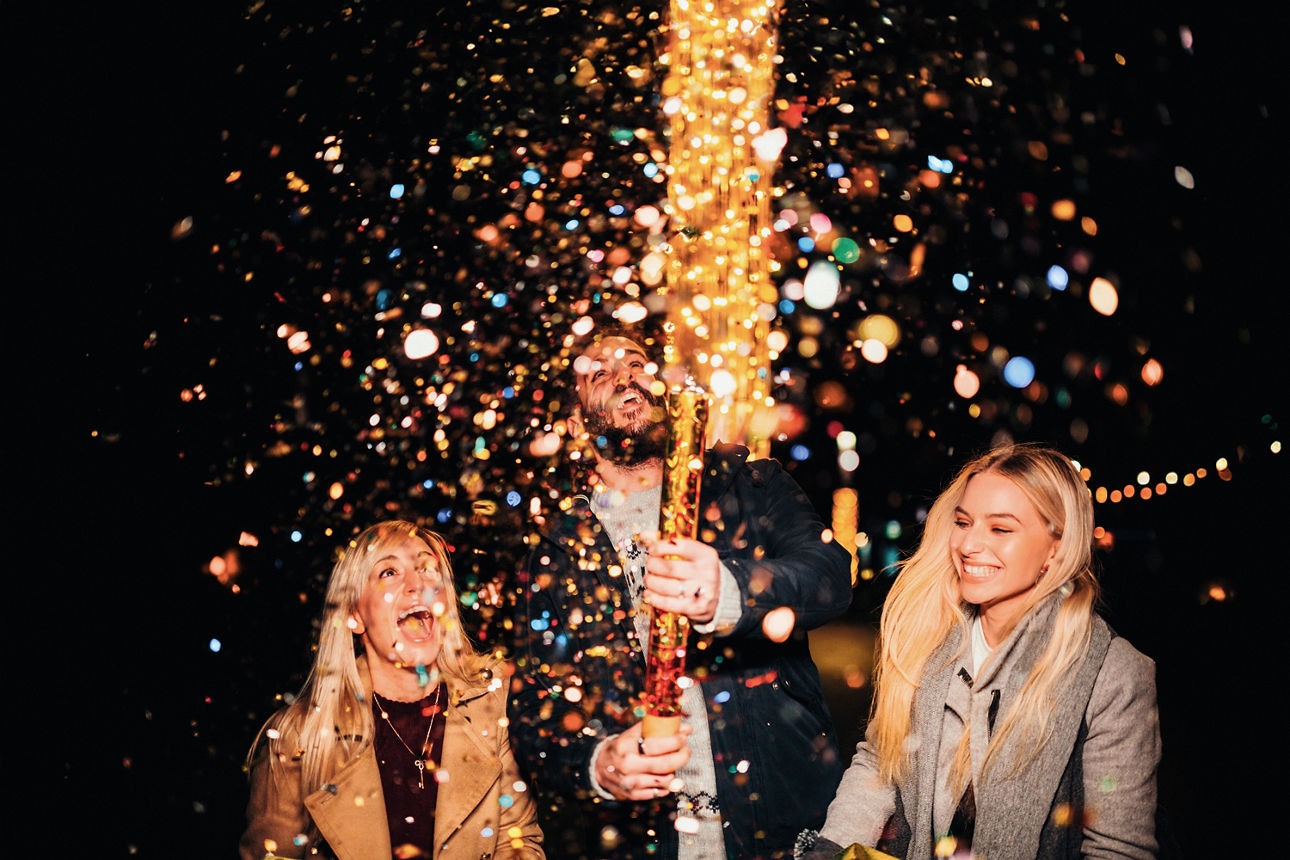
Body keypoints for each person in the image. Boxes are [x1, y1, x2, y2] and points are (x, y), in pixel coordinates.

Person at [509, 333, 854, 859]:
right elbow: (537, 709)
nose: (626, 377)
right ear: (578, 424)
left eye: (638, 363)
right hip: (649, 840)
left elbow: (829, 575)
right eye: (600, 374)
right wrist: (596, 764)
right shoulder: (559, 549)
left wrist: (734, 590)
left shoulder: (750, 485)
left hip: (778, 826)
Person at [799, 445, 1160, 860]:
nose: (969, 544)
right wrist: (829, 850)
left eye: (1001, 529)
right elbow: (882, 762)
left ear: (1056, 546)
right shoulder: (929, 634)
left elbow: (1118, 849)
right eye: (963, 522)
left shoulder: (1113, 673)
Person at [241, 520, 544, 860]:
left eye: (428, 568)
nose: (417, 585)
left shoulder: (495, 705)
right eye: (388, 572)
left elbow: (518, 846)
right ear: (354, 614)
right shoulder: (300, 736)